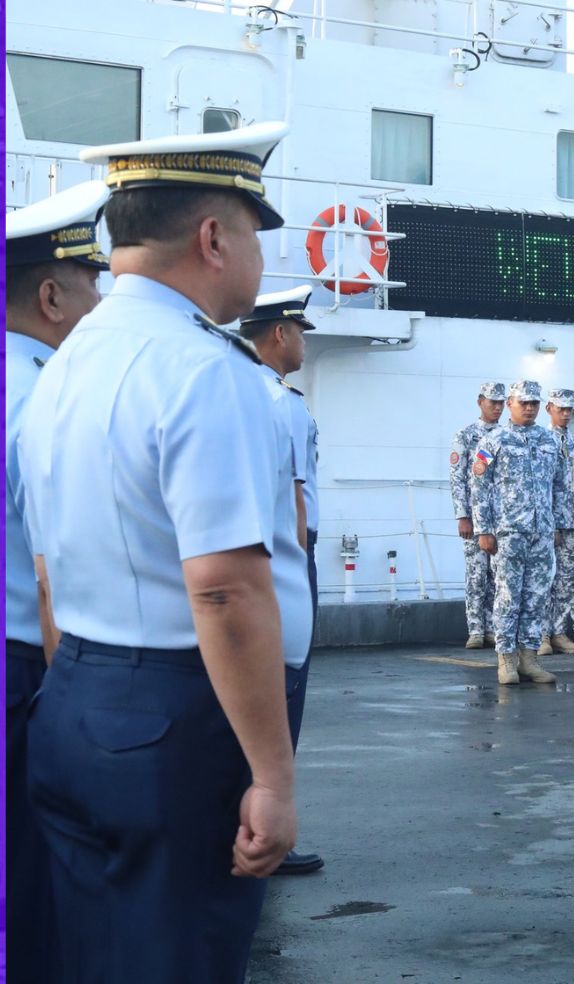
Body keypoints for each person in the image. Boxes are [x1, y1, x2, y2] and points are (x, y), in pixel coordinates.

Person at [20, 123, 298, 980]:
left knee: (95, 955)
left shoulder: (62, 361)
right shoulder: (204, 371)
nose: (256, 259)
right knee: (181, 958)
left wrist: (82, 689)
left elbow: (47, 565)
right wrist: (273, 779)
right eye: (254, 234)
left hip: (75, 696)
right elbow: (223, 591)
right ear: (215, 238)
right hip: (177, 716)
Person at [3, 180, 108, 981]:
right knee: (33, 885)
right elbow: (53, 578)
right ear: (49, 296)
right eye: (91, 284)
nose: (103, 300)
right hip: (18, 672)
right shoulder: (45, 402)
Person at [236, 285, 327, 877]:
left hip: (265, 557)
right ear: (278, 334)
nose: (302, 343)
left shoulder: (248, 393)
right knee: (282, 701)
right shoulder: (281, 404)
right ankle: (267, 830)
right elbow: (295, 502)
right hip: (289, 560)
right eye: (299, 332)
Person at [473, 380, 574, 685]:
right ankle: (506, 659)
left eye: (533, 404)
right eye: (523, 403)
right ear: (511, 405)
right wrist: (484, 529)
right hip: (508, 532)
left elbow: (559, 485)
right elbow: (479, 487)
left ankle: (529, 658)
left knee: (536, 596)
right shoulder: (494, 440)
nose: (529, 408)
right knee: (508, 595)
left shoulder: (548, 441)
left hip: (541, 531)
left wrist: (556, 523)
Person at [452, 383, 504, 648]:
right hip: (474, 517)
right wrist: (462, 515)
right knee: (476, 575)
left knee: (499, 576)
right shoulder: (466, 435)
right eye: (492, 402)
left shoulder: (508, 435)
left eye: (501, 403)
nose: (497, 407)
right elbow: (458, 477)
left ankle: (495, 627)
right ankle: (476, 628)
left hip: (503, 520)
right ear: (480, 402)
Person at [541, 388, 574, 654]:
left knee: (567, 579)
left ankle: (559, 631)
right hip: (546, 523)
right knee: (541, 579)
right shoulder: (540, 440)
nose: (564, 414)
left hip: (573, 520)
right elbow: (539, 486)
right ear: (549, 409)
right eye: (560, 409)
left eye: (568, 410)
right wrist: (551, 524)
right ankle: (539, 634)